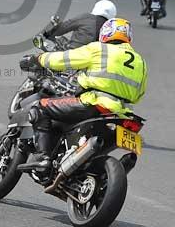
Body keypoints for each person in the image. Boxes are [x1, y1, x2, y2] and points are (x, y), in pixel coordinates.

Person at [18, 18, 147, 175]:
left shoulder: (99, 49)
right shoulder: (140, 61)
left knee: (39, 107)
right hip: (122, 114)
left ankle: (42, 157)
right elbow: (139, 95)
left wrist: (38, 59)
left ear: (106, 33)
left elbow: (64, 59)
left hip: (94, 103)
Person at [42, 0, 117, 48]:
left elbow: (63, 27)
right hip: (94, 59)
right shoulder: (112, 28)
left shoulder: (86, 17)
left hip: (73, 53)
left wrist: (47, 34)